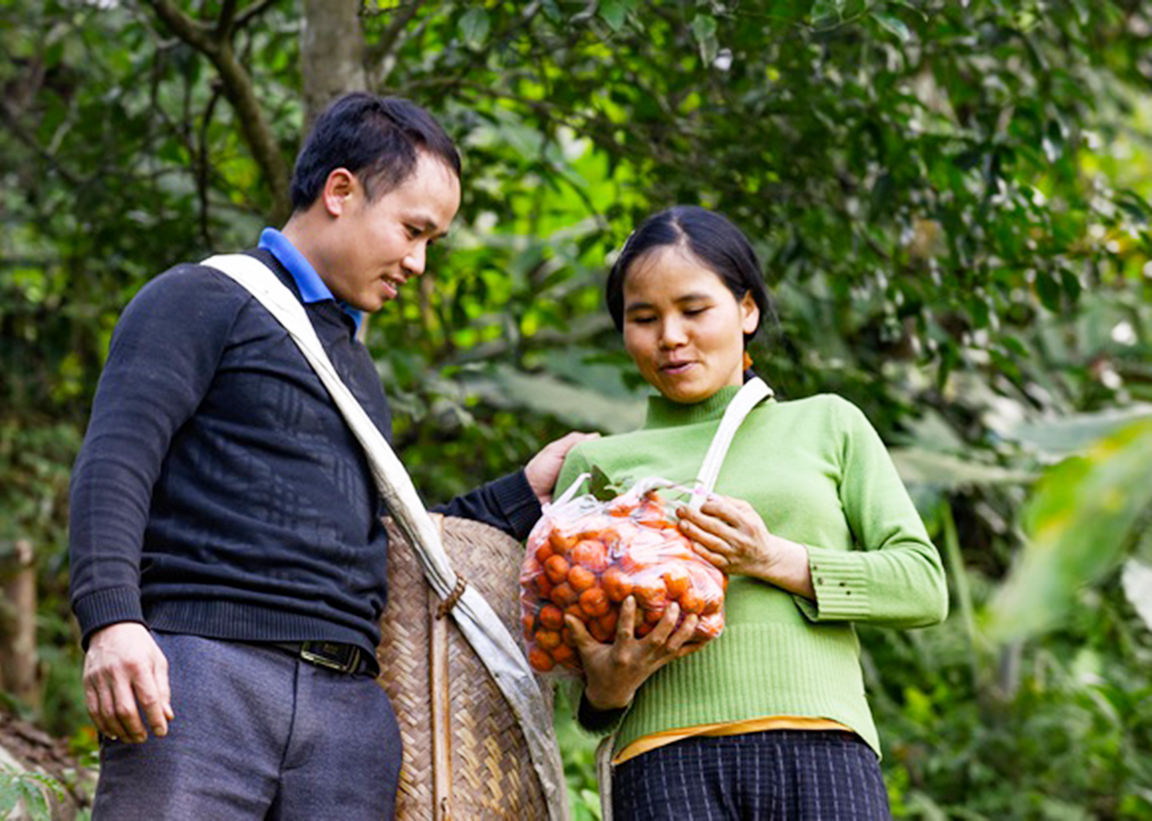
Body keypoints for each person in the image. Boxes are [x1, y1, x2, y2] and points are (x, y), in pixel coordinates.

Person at [69, 92, 589, 820]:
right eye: (413, 230)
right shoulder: (199, 298)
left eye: (432, 241)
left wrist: (521, 491)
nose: (418, 262)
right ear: (340, 190)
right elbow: (115, 460)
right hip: (204, 675)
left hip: (348, 715)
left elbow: (392, 541)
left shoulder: (352, 361)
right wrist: (111, 619)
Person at [554, 205, 948, 820]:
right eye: (644, 317)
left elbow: (922, 586)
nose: (671, 337)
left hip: (823, 747)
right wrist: (609, 687)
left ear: (747, 310)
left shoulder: (827, 424)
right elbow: (579, 689)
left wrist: (770, 558)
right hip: (662, 762)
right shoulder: (597, 465)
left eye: (694, 309)